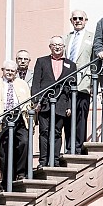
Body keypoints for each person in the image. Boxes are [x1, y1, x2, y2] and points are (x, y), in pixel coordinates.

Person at [31, 36, 76, 169]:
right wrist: (36, 101)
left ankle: (55, 160)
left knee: (57, 132)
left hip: (61, 104)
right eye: (55, 45)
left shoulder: (71, 65)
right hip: (44, 103)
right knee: (44, 132)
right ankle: (43, 161)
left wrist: (69, 106)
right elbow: (36, 83)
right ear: (50, 46)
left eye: (60, 45)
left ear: (64, 47)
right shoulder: (41, 62)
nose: (57, 47)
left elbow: (72, 88)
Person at [0, 60, 32, 186]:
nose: (10, 73)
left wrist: (30, 120)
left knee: (23, 142)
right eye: (7, 70)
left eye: (12, 71)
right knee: (5, 150)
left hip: (20, 116)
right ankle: (7, 179)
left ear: (16, 72)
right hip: (3, 117)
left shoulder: (23, 84)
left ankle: (20, 172)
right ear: (3, 70)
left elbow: (28, 102)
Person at [65, 9, 94, 154]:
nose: (77, 21)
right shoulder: (66, 38)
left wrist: (94, 85)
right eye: (75, 18)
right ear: (71, 21)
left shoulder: (92, 37)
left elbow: (95, 61)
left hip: (84, 82)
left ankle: (79, 146)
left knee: (81, 116)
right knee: (68, 117)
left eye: (80, 18)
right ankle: (69, 147)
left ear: (86, 20)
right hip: (67, 84)